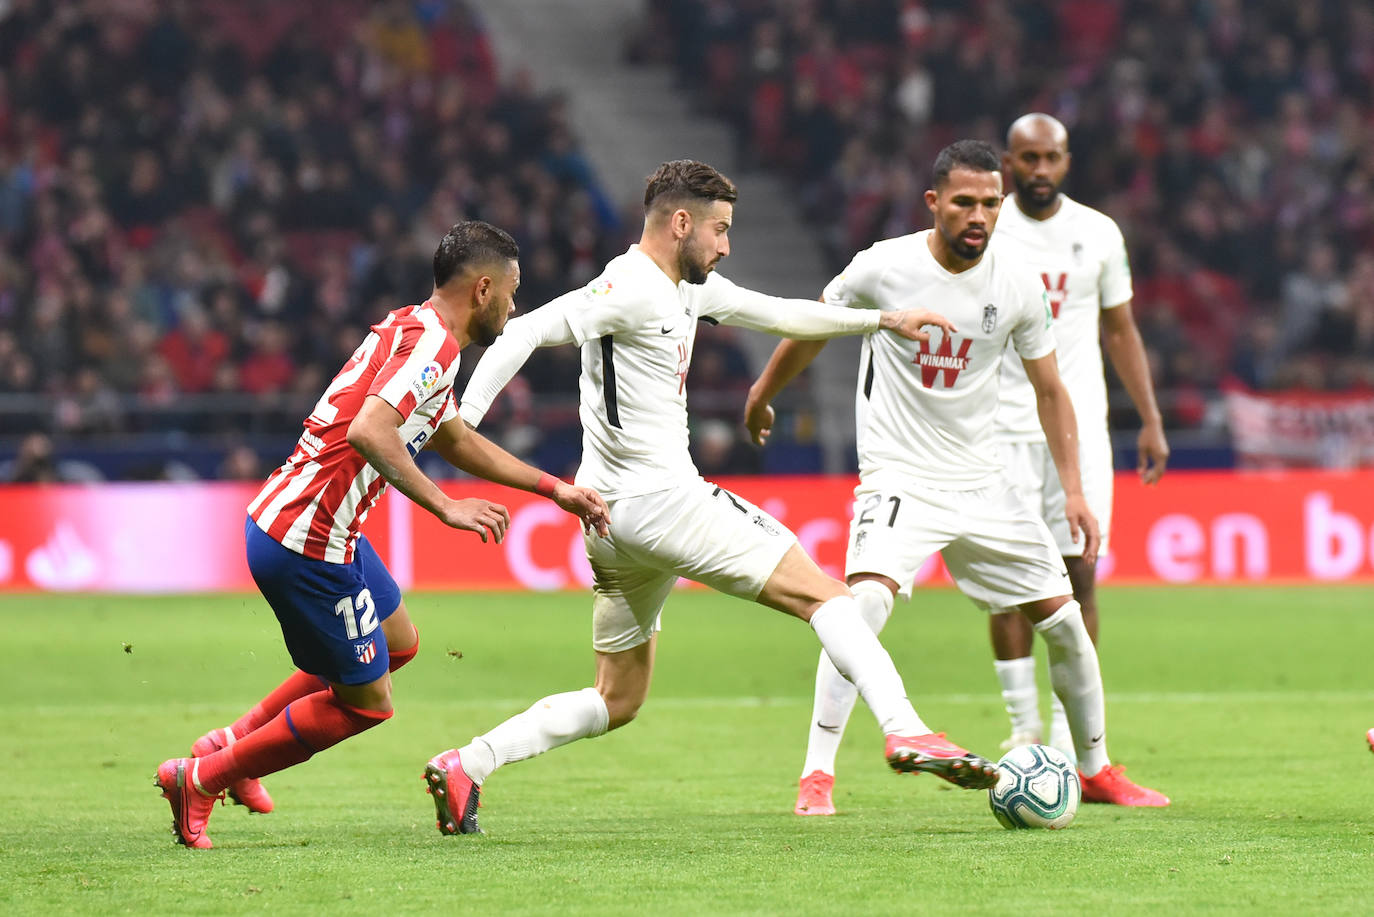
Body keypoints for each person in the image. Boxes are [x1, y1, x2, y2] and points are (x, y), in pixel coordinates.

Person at [423, 159, 999, 837]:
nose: (726, 245)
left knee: (619, 696)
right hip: (663, 501)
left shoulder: (687, 288)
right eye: (720, 230)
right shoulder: (628, 285)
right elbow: (523, 330)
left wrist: (884, 320)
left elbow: (781, 312)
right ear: (680, 222)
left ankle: (470, 762)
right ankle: (907, 730)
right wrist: (462, 422)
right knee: (829, 596)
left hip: (611, 522)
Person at [154, 221, 612, 849]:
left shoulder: (414, 327)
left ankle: (229, 745)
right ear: (482, 288)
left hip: (310, 523)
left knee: (397, 641)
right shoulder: (433, 351)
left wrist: (551, 488)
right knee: (367, 704)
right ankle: (203, 779)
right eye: (512, 290)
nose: (515, 304)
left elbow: (452, 436)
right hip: (308, 542)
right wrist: (445, 507)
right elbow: (371, 431)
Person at [744, 140, 1169, 816]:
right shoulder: (884, 266)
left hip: (986, 480)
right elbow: (815, 323)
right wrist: (765, 390)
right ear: (934, 202)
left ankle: (1095, 769)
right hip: (900, 478)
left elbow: (1051, 391)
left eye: (991, 203)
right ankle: (816, 775)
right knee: (864, 608)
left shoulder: (1018, 284)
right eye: (966, 201)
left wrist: (1075, 490)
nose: (979, 214)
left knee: (1065, 625)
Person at [987, 113, 1169, 758]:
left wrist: (1147, 417)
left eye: (1052, 157)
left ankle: (1070, 740)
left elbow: (1120, 329)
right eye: (1029, 158)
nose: (1040, 170)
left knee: (1080, 577)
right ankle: (1022, 730)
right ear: (1009, 162)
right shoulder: (986, 226)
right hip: (999, 428)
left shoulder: (1097, 233)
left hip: (1080, 430)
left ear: (1068, 161)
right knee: (1010, 582)